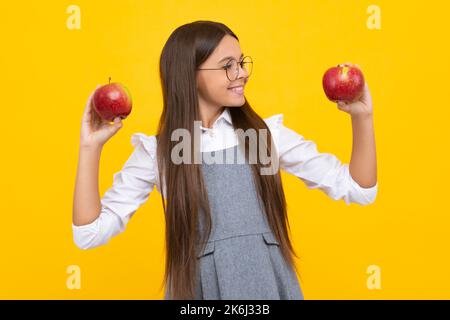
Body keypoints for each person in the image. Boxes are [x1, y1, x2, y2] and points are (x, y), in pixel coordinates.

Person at [72, 20, 378, 300]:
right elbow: (89, 233)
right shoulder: (160, 153)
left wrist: (362, 118)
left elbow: (358, 189)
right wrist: (90, 147)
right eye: (227, 65)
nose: (241, 72)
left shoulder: (265, 136)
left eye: (241, 62)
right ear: (189, 76)